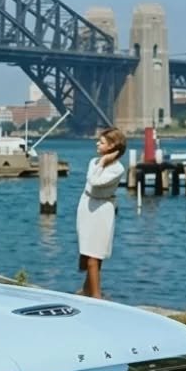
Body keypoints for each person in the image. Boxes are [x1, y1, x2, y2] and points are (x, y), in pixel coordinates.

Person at [76, 127, 127, 299]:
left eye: (102, 142)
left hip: (103, 208)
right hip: (86, 205)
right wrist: (101, 162)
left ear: (112, 146)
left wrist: (103, 163)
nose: (97, 143)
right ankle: (88, 290)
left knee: (96, 254)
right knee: (89, 253)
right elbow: (91, 182)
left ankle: (95, 297)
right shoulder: (93, 161)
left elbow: (95, 181)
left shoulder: (117, 169)